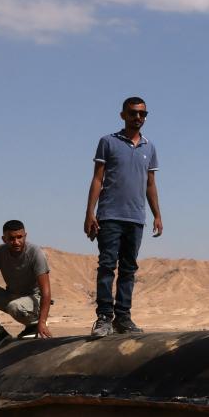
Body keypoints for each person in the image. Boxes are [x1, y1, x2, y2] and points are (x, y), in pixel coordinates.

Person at [84, 96, 162, 338]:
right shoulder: (108, 142)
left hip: (136, 218)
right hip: (109, 215)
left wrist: (157, 215)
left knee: (129, 269)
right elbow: (98, 179)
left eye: (142, 114)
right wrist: (90, 212)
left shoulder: (149, 147)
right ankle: (104, 318)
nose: (138, 117)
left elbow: (150, 184)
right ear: (123, 115)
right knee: (107, 266)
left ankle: (123, 318)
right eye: (133, 113)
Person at [0, 219, 52, 352]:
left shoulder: (35, 253)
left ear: (25, 235)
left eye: (20, 237)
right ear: (4, 239)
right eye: (11, 238)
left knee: (15, 306)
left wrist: (42, 322)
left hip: (33, 300)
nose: (16, 242)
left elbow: (46, 292)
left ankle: (34, 324)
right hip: (12, 296)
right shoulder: (1, 252)